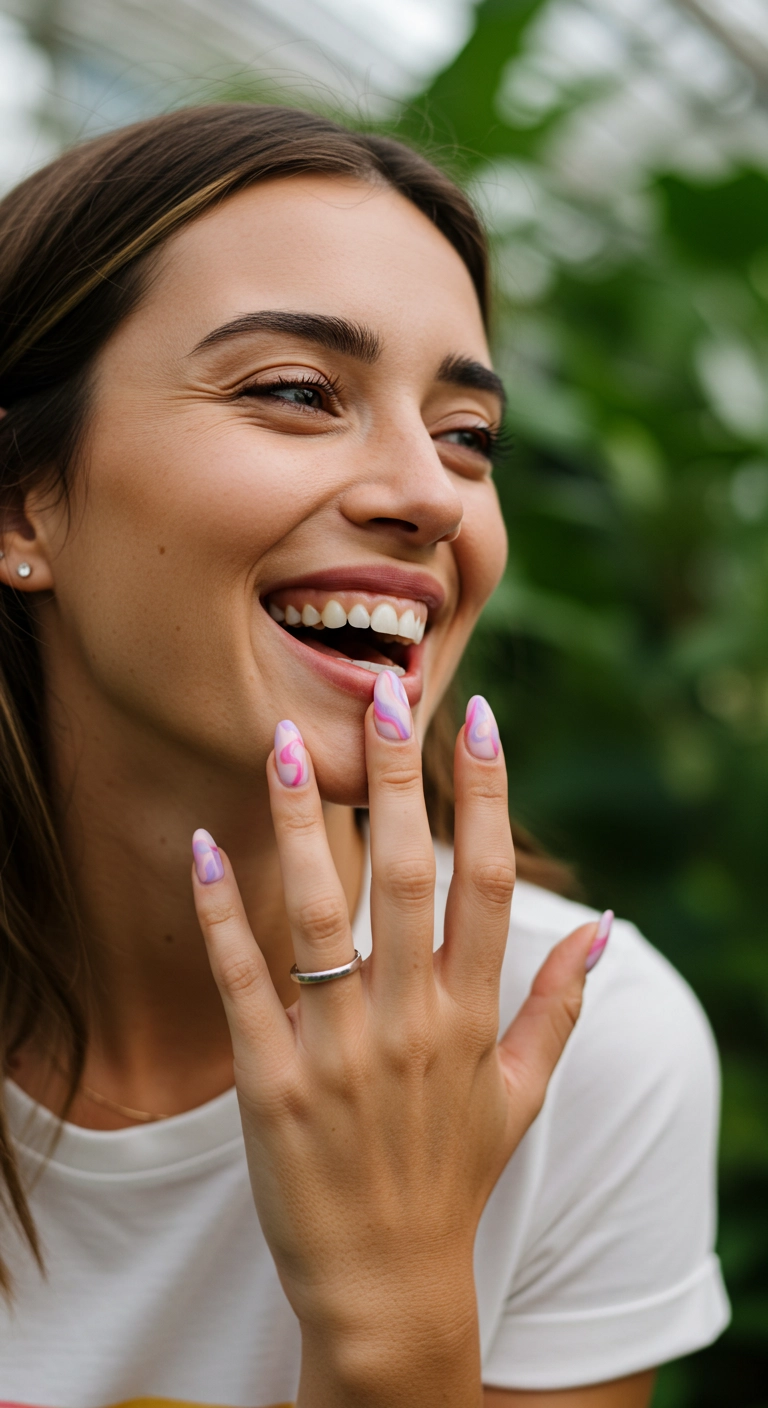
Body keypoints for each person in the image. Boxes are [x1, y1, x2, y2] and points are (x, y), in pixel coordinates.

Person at [0, 104, 728, 1408]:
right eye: (296, 393)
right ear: (21, 501)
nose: (431, 493)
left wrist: (397, 1338)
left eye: (468, 435)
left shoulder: (582, 1045)